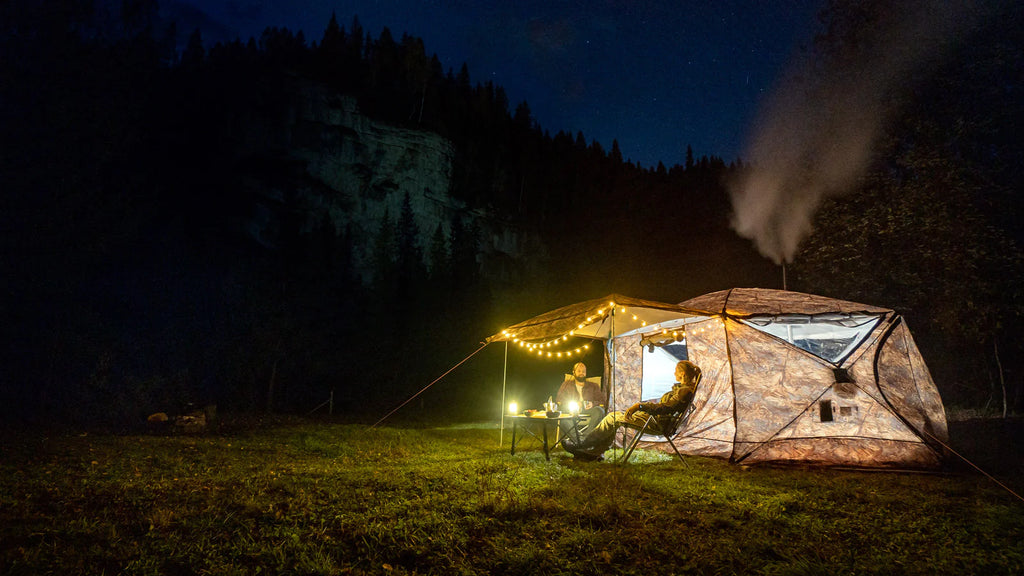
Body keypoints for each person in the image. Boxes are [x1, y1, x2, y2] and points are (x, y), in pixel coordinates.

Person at [563, 360, 701, 461]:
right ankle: (593, 453)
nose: (674, 373)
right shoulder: (683, 390)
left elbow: (665, 408)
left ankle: (584, 443)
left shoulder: (684, 391)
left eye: (676, 370)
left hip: (655, 423)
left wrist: (640, 406)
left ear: (682, 373)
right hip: (654, 419)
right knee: (615, 418)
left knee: (612, 418)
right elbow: (665, 407)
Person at [555, 362, 606, 437]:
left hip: (588, 409)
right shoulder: (566, 384)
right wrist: (573, 404)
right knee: (563, 415)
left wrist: (593, 404)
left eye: (583, 371)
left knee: (600, 410)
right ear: (574, 372)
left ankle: (585, 437)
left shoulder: (593, 386)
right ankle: (577, 438)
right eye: (579, 371)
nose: (581, 373)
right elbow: (559, 399)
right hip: (571, 410)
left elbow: (602, 401)